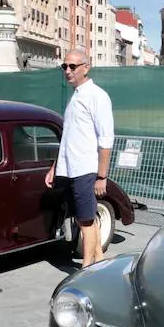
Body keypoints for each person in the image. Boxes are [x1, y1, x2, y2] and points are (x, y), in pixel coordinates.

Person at [44, 49, 114, 267]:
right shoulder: (76, 96)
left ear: (86, 67)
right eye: (64, 66)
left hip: (85, 169)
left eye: (72, 66)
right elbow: (67, 138)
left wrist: (102, 176)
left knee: (85, 221)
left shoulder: (97, 96)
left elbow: (106, 139)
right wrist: (54, 167)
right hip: (70, 168)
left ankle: (86, 267)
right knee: (86, 219)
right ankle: (98, 261)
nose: (67, 71)